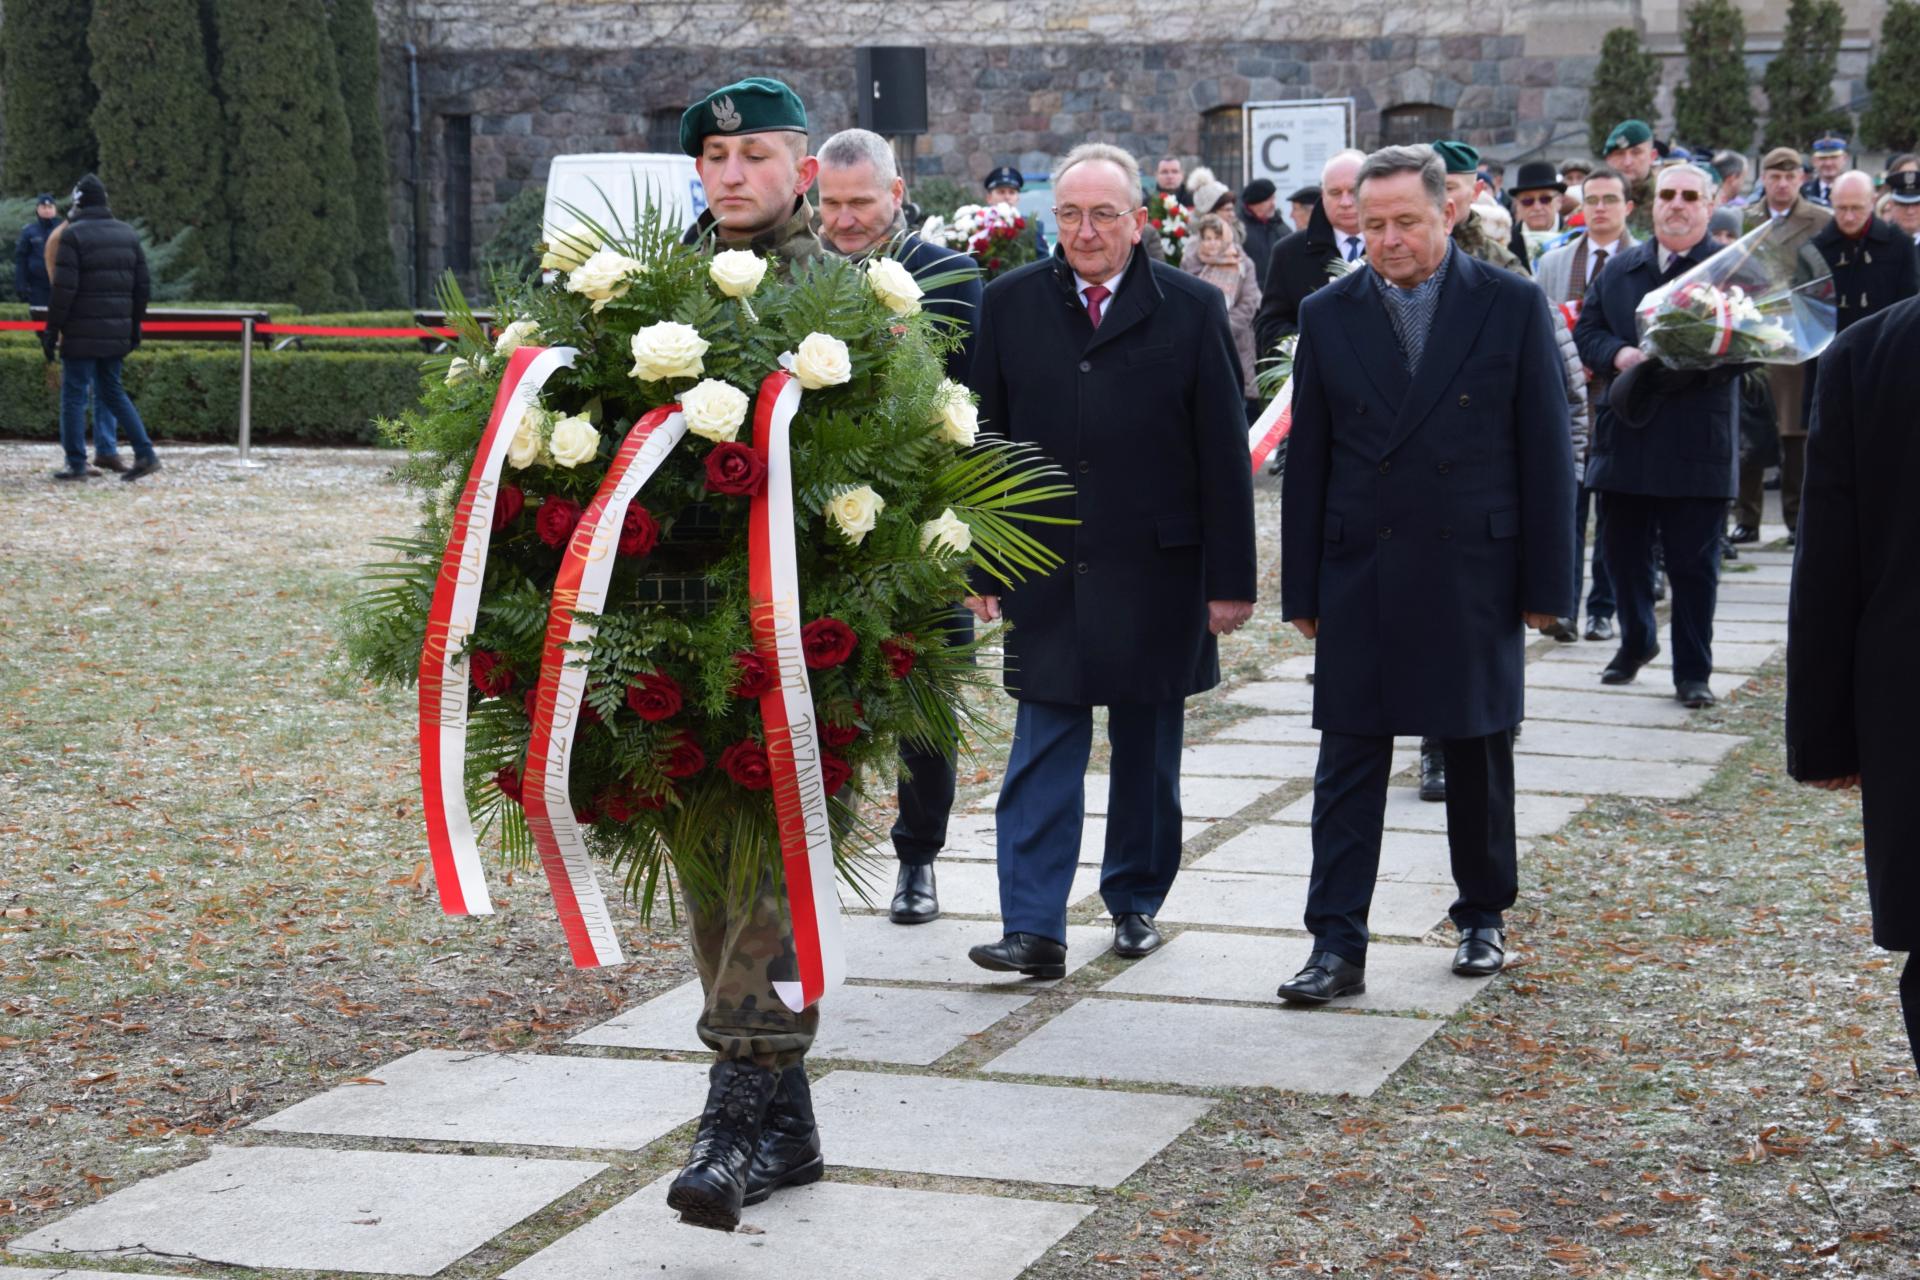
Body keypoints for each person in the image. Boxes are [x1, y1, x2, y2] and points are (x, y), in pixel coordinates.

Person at [1277, 143, 1574, 1002]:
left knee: (1478, 752)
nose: (1389, 240)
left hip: (1472, 566)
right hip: (1360, 564)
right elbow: (1313, 460)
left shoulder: (1511, 305)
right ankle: (1335, 944)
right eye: (1371, 225)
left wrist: (1547, 588)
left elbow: (1545, 450)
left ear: (1448, 212)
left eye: (1406, 221)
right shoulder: (1329, 314)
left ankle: (1482, 915)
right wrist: (1301, 589)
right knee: (1348, 763)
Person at [964, 141, 1256, 978]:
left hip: (1159, 568)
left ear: (1136, 220)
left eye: (1102, 214)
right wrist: (982, 560)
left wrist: (1230, 581)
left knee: (1146, 752)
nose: (1085, 232)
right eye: (1069, 214)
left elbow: (1220, 453)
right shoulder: (1011, 302)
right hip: (1045, 566)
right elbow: (985, 441)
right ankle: (1033, 926)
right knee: (1043, 744)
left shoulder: (1192, 308)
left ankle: (1134, 901)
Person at [666, 75, 829, 1233]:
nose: (732, 173)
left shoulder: (850, 297)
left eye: (755, 153)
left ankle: (728, 1123)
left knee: (768, 881)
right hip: (677, 636)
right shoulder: (645, 292)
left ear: (802, 170)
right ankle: (795, 1128)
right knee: (710, 889)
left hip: (807, 640)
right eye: (715, 155)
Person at [816, 128, 985, 928]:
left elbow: (965, 400)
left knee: (925, 702)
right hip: (821, 527)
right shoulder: (797, 275)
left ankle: (919, 859)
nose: (845, 220)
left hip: (923, 528)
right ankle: (824, 851)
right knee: (824, 690)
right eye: (831, 203)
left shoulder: (948, 274)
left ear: (896, 190)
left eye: (861, 202)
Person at [1786, 292, 1920, 1076]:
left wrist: (1824, 737)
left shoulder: (1869, 350)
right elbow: (1831, 555)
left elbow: (1830, 561)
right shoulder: (1869, 353)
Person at [1575, 162, 1735, 710]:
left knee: (1694, 566)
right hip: (1629, 435)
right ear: (1651, 204)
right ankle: (1636, 639)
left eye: (1691, 195)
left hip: (1697, 438)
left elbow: (1749, 348)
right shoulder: (1622, 269)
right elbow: (1587, 331)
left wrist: (1685, 360)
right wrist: (1619, 354)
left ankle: (1693, 671)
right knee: (1621, 555)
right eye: (1668, 193)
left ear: (1709, 205)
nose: (1678, 203)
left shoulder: (1730, 272)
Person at [1536, 165, 1637, 644]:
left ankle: (1603, 608)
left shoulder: (1642, 261)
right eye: (1591, 200)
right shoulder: (1555, 262)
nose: (1599, 209)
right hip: (1569, 402)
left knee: (1614, 515)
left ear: (1628, 207)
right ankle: (1564, 607)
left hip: (1622, 402)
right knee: (1568, 507)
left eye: (1609, 200)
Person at [1733, 148, 1830, 545]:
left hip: (1799, 336)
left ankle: (1796, 518)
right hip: (1753, 335)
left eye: (1790, 177)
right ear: (1765, 179)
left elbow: (1825, 276)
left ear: (1801, 179)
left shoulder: (1821, 220)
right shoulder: (1745, 219)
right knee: (1753, 430)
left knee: (1796, 433)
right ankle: (1747, 519)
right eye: (1775, 176)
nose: (1783, 184)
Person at [45, 174, 159, 483]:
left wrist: (52, 330)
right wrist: (134, 327)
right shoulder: (128, 234)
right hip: (116, 333)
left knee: (73, 395)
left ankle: (76, 463)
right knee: (113, 392)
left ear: (78, 203)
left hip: (80, 333)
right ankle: (146, 453)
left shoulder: (73, 236)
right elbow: (142, 289)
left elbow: (63, 291)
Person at [1254, 149, 1365, 353]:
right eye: (1335, 193)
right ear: (1322, 196)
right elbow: (1269, 327)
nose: (1346, 202)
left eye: (1354, 191)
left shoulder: (1394, 245)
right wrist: (1310, 345)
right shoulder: (1288, 253)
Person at [1811, 170, 1920, 334]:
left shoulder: (1900, 244)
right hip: (1831, 351)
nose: (1849, 217)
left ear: (1872, 202)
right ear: (1832, 202)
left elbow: (1907, 307)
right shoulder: (1816, 248)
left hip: (1883, 347)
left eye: (1856, 208)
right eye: (1842, 208)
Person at [1183, 210, 1263, 421]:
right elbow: (1184, 301)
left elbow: (1248, 304)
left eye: (1216, 238)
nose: (1211, 244)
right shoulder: (1190, 264)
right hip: (1197, 346)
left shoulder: (1243, 264)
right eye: (1206, 238)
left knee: (1239, 413)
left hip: (1235, 344)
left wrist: (1218, 327)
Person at [1436, 141, 1525, 274]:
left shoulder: (1501, 264)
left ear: (1476, 191)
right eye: (1431, 188)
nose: (1438, 197)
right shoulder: (1404, 253)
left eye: (1449, 188)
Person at [1603, 119, 1658, 238]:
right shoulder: (1594, 202)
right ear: (1608, 159)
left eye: (1636, 153)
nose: (1627, 162)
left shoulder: (1666, 199)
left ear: (1652, 156)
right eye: (1619, 153)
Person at [1507, 160, 1565, 266]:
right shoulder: (1506, 244)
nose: (1537, 207)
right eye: (1527, 201)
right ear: (1517, 206)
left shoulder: (1578, 239)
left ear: (1559, 201)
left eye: (1545, 199)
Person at [984, 164, 1048, 255]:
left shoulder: (1033, 226)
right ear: (989, 198)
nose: (1007, 197)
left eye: (1012, 192)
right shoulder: (978, 224)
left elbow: (1043, 260)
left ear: (1018, 198)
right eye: (1001, 192)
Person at [1239, 178, 1282, 291]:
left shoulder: (1280, 225)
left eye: (1274, 198)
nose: (1273, 204)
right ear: (1255, 203)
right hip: (1252, 296)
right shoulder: (1239, 229)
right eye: (1269, 200)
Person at [1802, 135, 1848, 207]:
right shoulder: (1803, 192)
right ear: (1814, 161)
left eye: (1834, 157)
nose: (1828, 163)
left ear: (1844, 159)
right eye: (1823, 158)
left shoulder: (1856, 190)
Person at [1888, 169, 1920, 246]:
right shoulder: (1879, 243)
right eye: (1903, 204)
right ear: (1891, 205)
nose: (1910, 211)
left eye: (1917, 204)